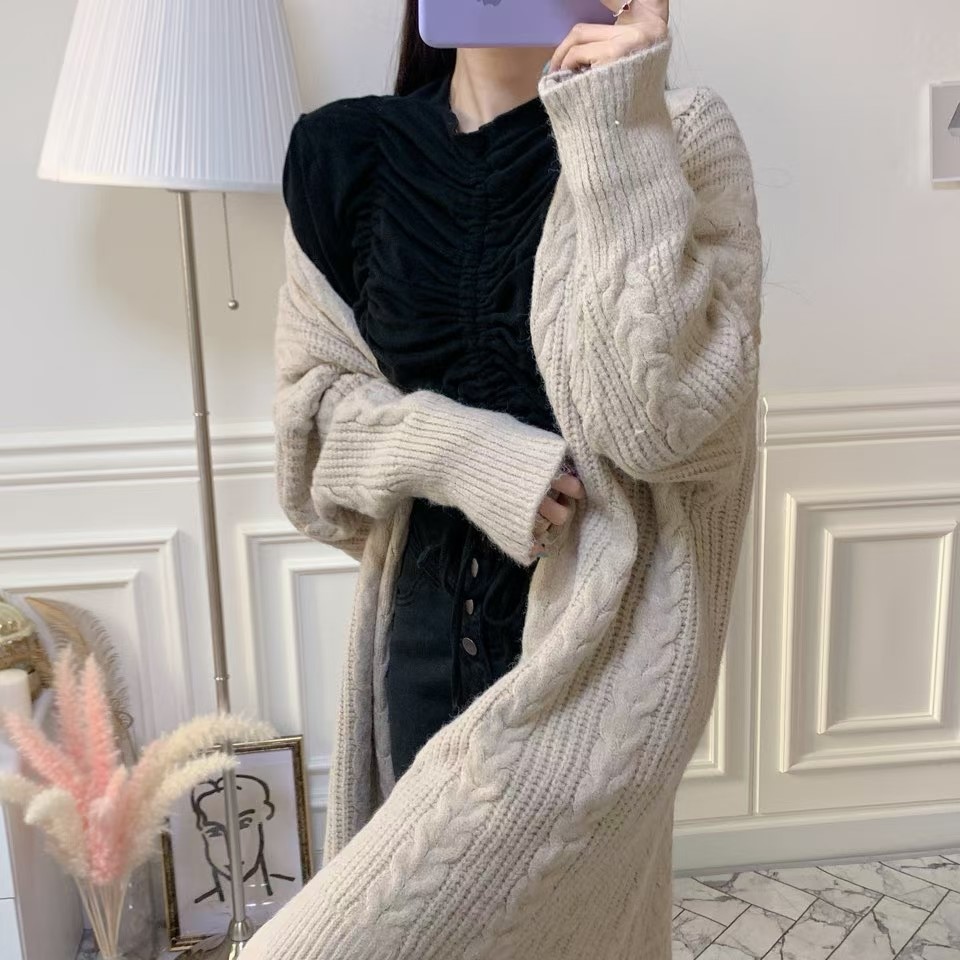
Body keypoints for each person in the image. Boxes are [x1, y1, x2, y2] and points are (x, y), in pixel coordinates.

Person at [251, 0, 764, 955]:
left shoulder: (675, 134)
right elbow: (311, 432)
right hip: (417, 639)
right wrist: (470, 455)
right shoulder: (343, 154)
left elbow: (671, 429)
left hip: (597, 670)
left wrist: (616, 115)